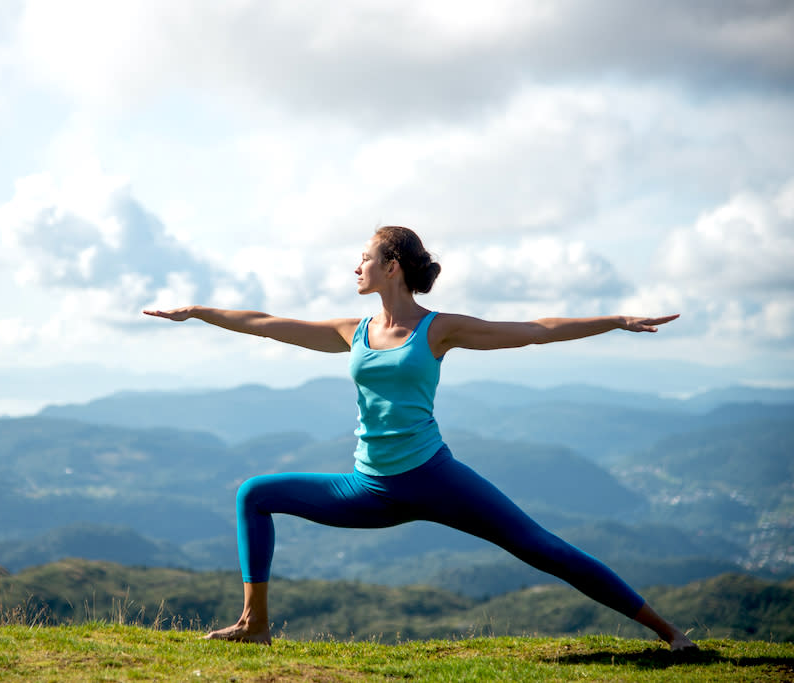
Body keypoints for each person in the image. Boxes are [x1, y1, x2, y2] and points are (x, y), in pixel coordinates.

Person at [143, 225, 697, 651]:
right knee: (253, 494)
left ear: (391, 266)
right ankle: (254, 625)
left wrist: (616, 320)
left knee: (542, 549)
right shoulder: (351, 331)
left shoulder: (440, 329)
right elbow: (264, 322)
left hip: (436, 479)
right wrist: (196, 313)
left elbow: (534, 331)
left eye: (363, 258)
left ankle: (670, 632)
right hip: (368, 487)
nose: (354, 267)